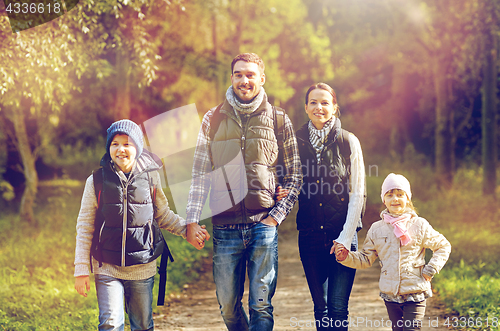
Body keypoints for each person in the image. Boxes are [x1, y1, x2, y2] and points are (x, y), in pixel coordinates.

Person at [186, 53, 303, 331]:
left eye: (250, 74)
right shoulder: (212, 118)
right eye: (239, 74)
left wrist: (275, 216)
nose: (244, 80)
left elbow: (296, 174)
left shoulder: (278, 119)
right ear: (231, 78)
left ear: (261, 79)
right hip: (225, 227)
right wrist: (191, 221)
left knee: (261, 305)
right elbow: (200, 173)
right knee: (227, 305)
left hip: (263, 224)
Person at [74, 119, 210, 331]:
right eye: (115, 144)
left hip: (142, 267)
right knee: (110, 324)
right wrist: (81, 269)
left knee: (143, 326)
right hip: (106, 265)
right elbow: (85, 226)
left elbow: (162, 215)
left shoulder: (150, 177)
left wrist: (187, 230)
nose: (120, 149)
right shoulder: (96, 180)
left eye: (127, 144)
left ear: (137, 147)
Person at [334, 173, 451, 331]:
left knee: (411, 329)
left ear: (407, 198)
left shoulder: (419, 225)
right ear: (384, 200)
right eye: (390, 195)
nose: (395, 199)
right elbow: (365, 259)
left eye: (400, 194)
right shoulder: (376, 229)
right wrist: (346, 257)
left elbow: (443, 246)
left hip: (415, 291)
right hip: (390, 294)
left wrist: (432, 268)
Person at [295, 83, 365, 330]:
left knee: (337, 308)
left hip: (342, 236)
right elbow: (288, 182)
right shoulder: (295, 142)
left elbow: (358, 193)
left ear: (334, 107)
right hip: (310, 237)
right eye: (313, 102)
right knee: (321, 308)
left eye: (325, 102)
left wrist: (345, 238)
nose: (319, 107)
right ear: (306, 107)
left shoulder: (348, 141)